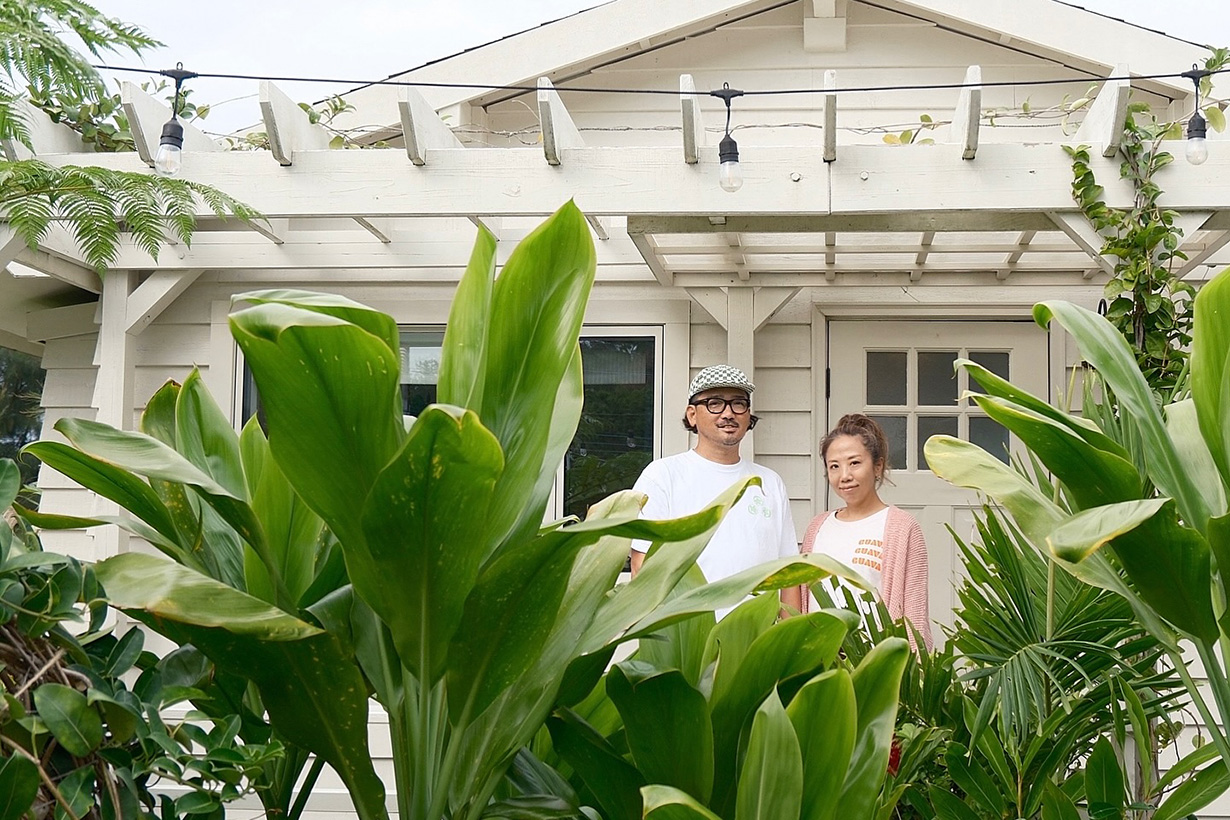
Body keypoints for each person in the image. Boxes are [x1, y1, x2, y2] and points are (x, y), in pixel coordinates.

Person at [629, 365, 797, 610]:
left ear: (748, 414)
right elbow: (642, 567)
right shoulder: (663, 476)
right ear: (692, 415)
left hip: (760, 632)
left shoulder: (770, 482)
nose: (728, 413)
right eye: (714, 403)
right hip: (688, 630)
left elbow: (788, 572)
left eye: (738, 403)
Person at [783, 413, 933, 650]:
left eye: (854, 463)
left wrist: (910, 665)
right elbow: (800, 600)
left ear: (877, 466)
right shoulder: (817, 527)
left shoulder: (903, 528)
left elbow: (914, 612)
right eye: (834, 466)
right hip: (820, 660)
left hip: (876, 662)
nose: (845, 476)